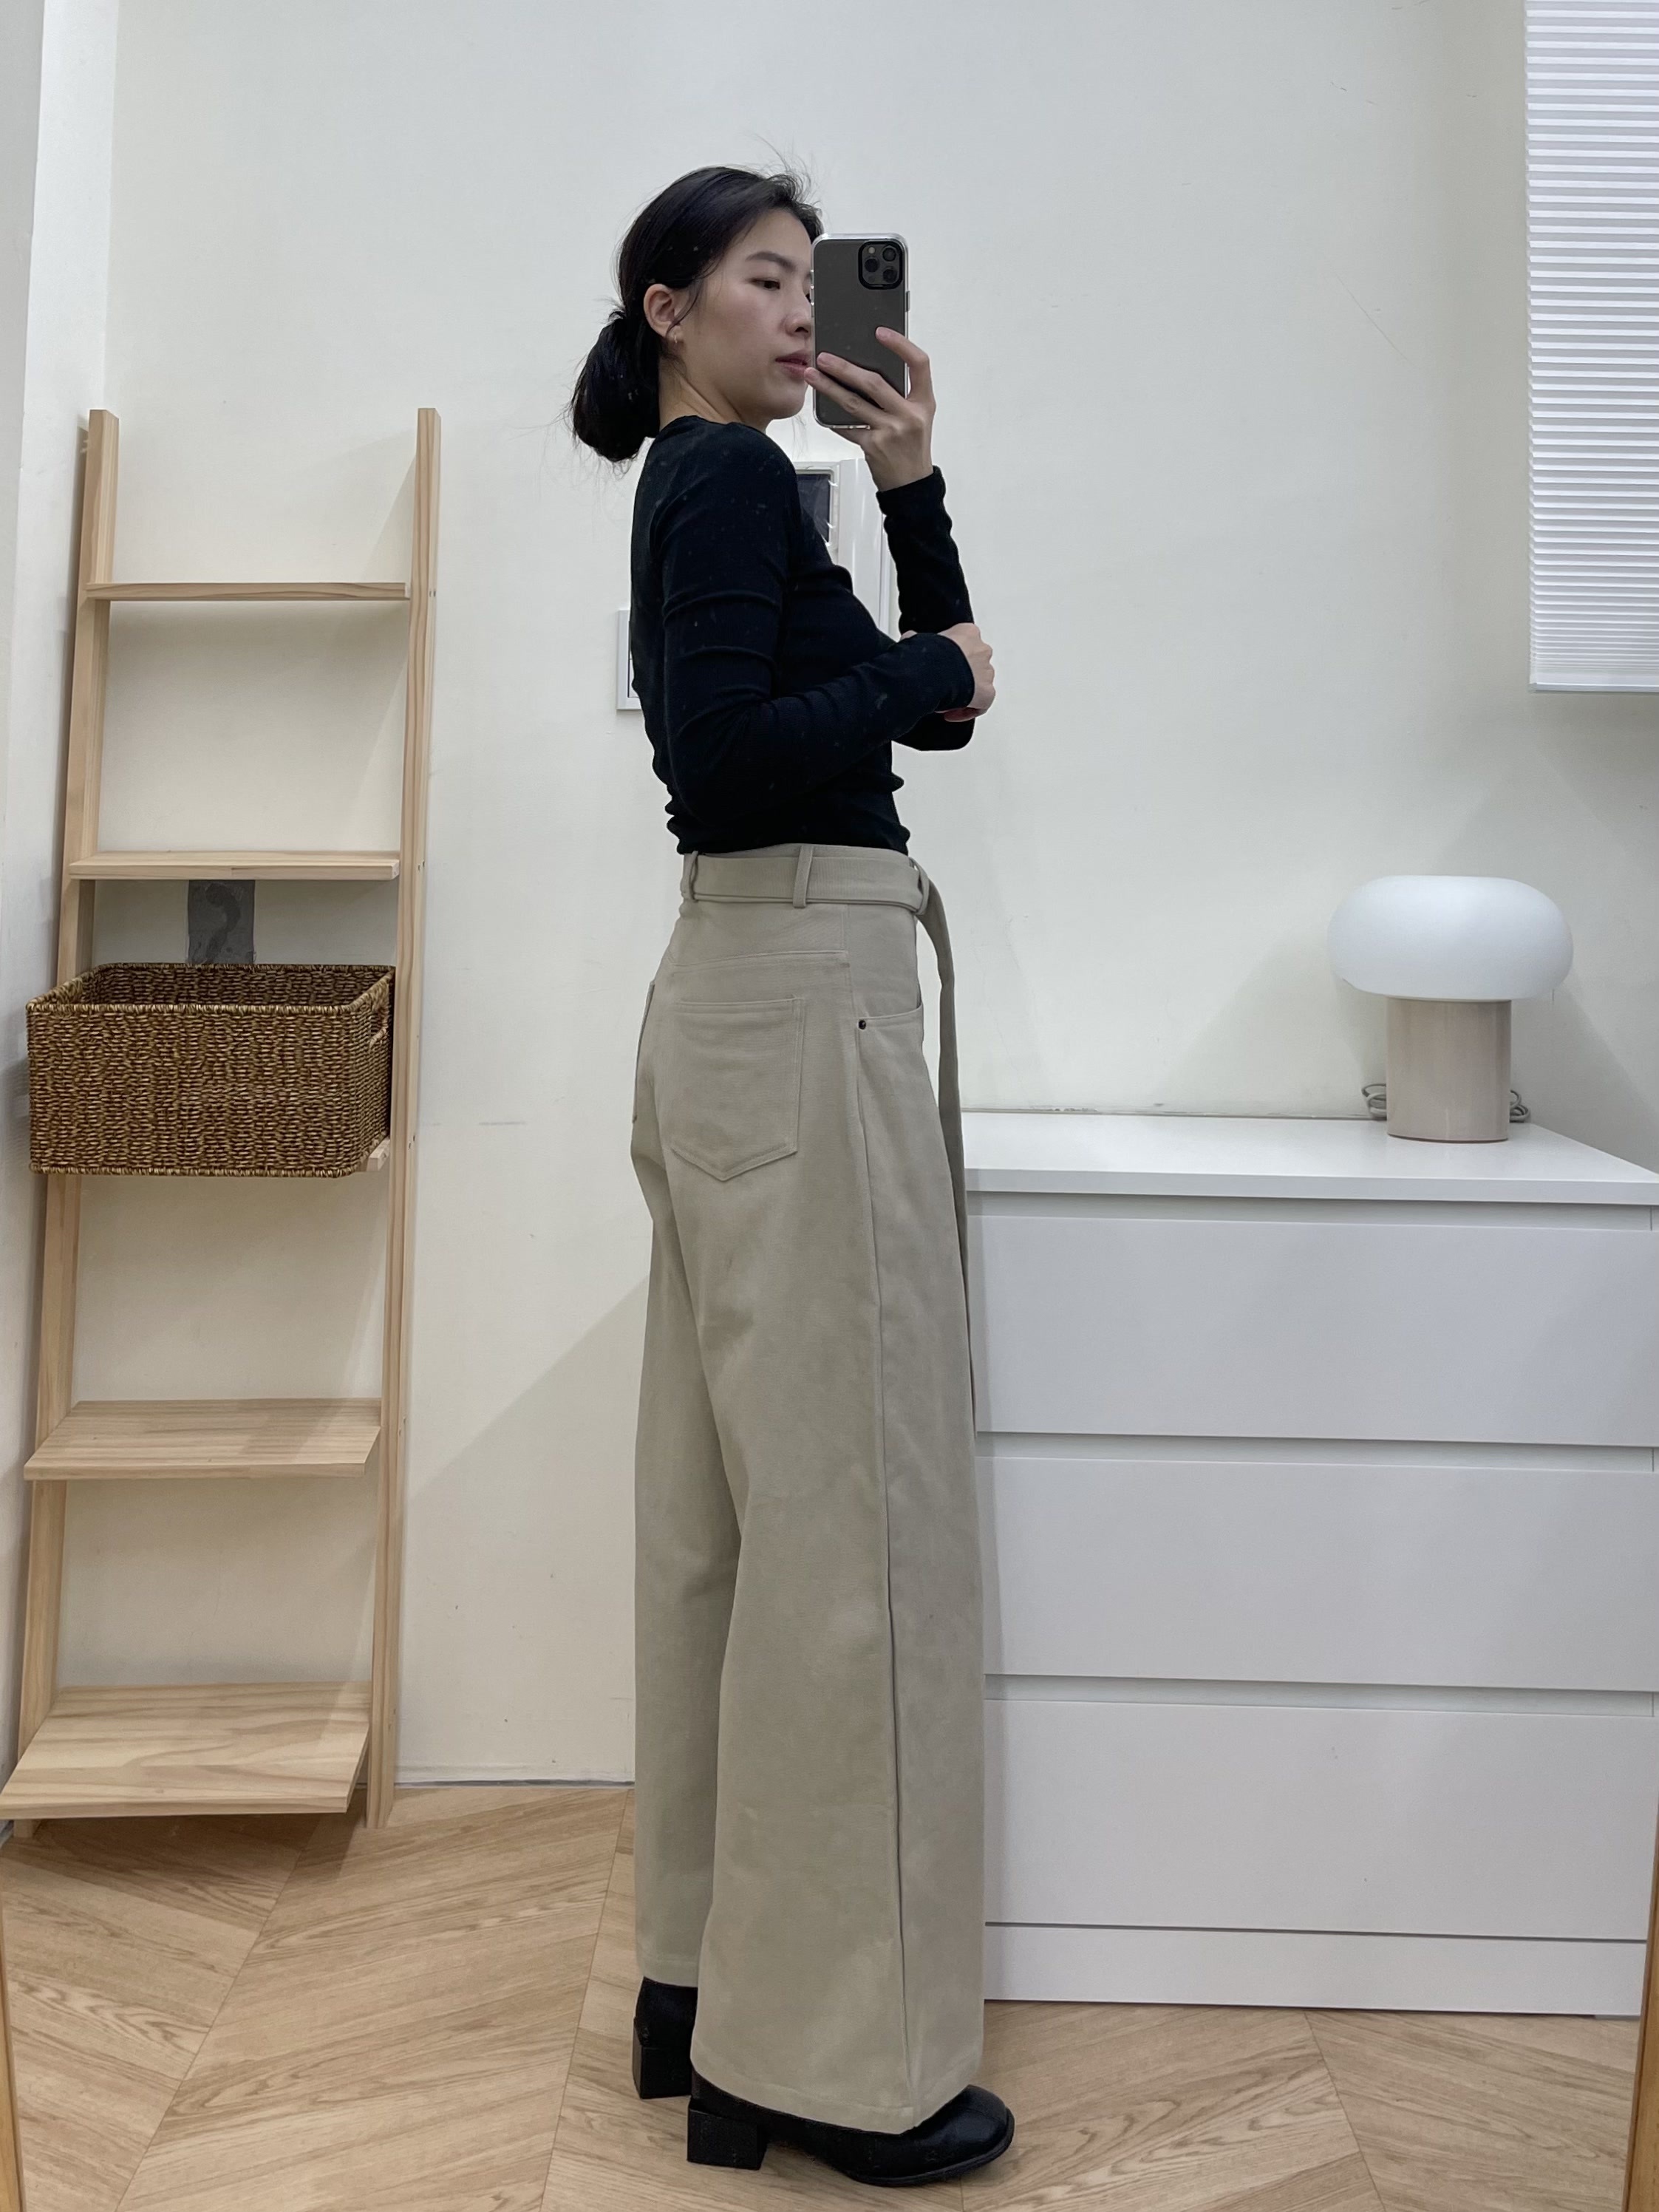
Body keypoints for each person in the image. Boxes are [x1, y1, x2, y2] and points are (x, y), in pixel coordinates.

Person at [567, 161, 1011, 2190]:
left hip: (739, 993)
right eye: (764, 280)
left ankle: (700, 1987)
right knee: (853, 1541)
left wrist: (910, 486)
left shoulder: (725, 483)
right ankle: (829, 2065)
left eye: (805, 282)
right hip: (804, 987)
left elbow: (931, 700)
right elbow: (733, 756)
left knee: (718, 1526)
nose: (799, 311)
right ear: (670, 308)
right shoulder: (733, 477)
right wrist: (929, 667)